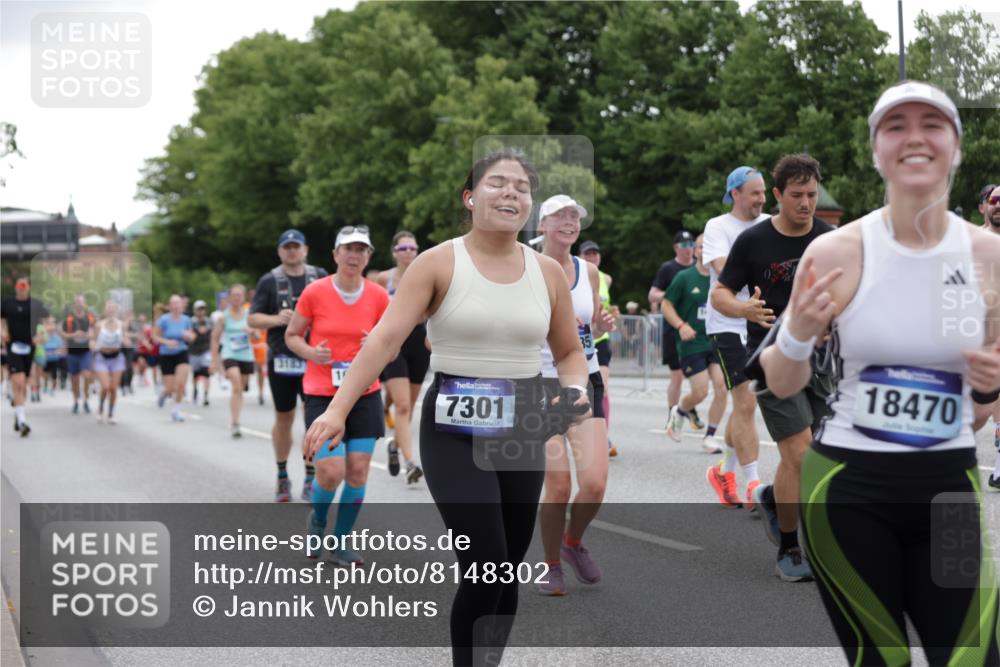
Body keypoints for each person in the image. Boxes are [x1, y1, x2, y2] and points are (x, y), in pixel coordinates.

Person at [303, 149, 591, 666]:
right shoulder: (439, 262)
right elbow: (385, 340)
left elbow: (569, 352)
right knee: (484, 563)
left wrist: (574, 393)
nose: (510, 193)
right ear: (469, 196)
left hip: (523, 426)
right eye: (497, 183)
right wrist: (336, 410)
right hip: (453, 429)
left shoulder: (547, 272)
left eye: (521, 187)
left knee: (505, 573)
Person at [761, 80, 1000, 664]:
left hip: (947, 489)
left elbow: (977, 414)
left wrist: (989, 386)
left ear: (955, 146)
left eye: (932, 124)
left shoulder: (989, 258)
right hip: (847, 490)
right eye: (896, 126)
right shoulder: (836, 252)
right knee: (880, 659)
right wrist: (795, 334)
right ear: (876, 151)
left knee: (974, 658)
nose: (914, 137)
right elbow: (781, 382)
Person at [713, 153, 834, 581]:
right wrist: (742, 307)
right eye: (797, 195)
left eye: (812, 195)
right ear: (778, 195)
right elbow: (720, 294)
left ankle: (772, 497)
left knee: (823, 459)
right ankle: (790, 546)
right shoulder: (753, 241)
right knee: (798, 454)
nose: (806, 204)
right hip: (771, 359)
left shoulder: (830, 239)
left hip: (823, 363)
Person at [286, 225, 389, 566]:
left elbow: (392, 344)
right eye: (348, 249)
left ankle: (341, 541)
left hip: (365, 391)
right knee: (330, 472)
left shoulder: (378, 295)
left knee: (358, 471)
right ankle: (317, 523)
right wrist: (311, 352)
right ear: (335, 254)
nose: (354, 255)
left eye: (361, 250)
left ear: (369, 257)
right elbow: (292, 335)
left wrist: (373, 346)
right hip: (322, 393)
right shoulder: (315, 292)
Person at [534, 194, 613, 596]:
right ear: (542, 225)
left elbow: (592, 322)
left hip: (585, 378)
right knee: (559, 486)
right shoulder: (526, 268)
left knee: (595, 483)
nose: (568, 222)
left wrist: (602, 321)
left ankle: (572, 541)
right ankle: (550, 564)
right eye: (559, 216)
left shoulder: (590, 271)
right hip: (542, 382)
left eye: (574, 217)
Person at [702, 166, 770, 508]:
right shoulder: (718, 226)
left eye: (763, 191)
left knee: (744, 404)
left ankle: (724, 470)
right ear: (736, 194)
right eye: (755, 192)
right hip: (726, 323)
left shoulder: (771, 224)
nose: (761, 198)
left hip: (761, 324)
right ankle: (754, 483)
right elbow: (725, 270)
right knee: (745, 402)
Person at [249, 229, 328, 502]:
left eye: (296, 246)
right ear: (280, 251)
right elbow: (253, 319)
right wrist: (277, 319)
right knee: (284, 418)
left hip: (313, 358)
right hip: (281, 359)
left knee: (314, 420)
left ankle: (310, 475)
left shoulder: (319, 276)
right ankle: (282, 475)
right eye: (287, 247)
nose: (292, 251)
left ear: (305, 249)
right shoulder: (269, 281)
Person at [661, 234, 727, 453]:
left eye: (710, 247)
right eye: (701, 247)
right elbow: (666, 305)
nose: (705, 251)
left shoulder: (722, 279)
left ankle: (709, 437)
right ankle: (679, 410)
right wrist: (681, 326)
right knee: (700, 392)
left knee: (721, 388)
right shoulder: (684, 277)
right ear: (696, 252)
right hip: (692, 343)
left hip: (716, 341)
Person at [374, 230, 429, 484]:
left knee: (410, 408)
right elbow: (373, 311)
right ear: (394, 252)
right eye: (403, 248)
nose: (408, 252)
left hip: (418, 343)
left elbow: (431, 312)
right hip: (393, 344)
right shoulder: (384, 279)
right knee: (404, 406)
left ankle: (394, 446)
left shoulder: (427, 276)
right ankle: (410, 463)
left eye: (411, 248)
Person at [649, 230, 698, 430]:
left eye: (692, 244)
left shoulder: (699, 268)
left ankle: (690, 409)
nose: (689, 249)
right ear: (676, 248)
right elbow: (653, 295)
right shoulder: (668, 269)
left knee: (698, 375)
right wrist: (673, 294)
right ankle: (672, 414)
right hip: (673, 329)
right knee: (677, 377)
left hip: (696, 330)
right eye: (684, 245)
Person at [580, 240, 618, 457]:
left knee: (601, 386)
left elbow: (604, 306)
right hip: (577, 339)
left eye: (596, 254)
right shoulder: (571, 273)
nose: (592, 258)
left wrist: (611, 314)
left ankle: (603, 435)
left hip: (600, 339)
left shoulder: (606, 279)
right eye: (588, 255)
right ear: (581, 256)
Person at [1, 278, 49, 435]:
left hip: (30, 347)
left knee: (24, 386)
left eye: (24, 287)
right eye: (19, 287)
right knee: (19, 382)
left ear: (28, 288)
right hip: (13, 346)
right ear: (16, 288)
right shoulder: (7, 303)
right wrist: (2, 332)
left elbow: (48, 322)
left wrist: (41, 335)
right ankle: (22, 423)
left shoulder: (35, 304)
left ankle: (18, 414)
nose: (21, 289)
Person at [212, 284, 255, 438]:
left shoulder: (249, 314)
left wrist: (252, 332)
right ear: (229, 297)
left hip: (246, 355)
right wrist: (214, 362)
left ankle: (236, 416)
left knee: (240, 388)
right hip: (230, 354)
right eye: (234, 295)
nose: (237, 298)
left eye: (239, 295)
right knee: (236, 385)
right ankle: (235, 422)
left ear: (243, 297)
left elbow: (257, 335)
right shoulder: (224, 317)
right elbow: (215, 339)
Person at [982, 184, 1000, 490]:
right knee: (973, 411)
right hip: (973, 336)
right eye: (995, 200)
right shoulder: (970, 241)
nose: (999, 206)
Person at [153, 295, 195, 422]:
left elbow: (192, 336)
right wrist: (166, 342)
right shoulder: (163, 320)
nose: (176, 306)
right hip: (166, 355)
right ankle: (164, 393)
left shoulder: (186, 320)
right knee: (170, 388)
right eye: (174, 304)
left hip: (181, 353)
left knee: (181, 384)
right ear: (169, 306)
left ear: (182, 306)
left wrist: (189, 336)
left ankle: (176, 410)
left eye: (178, 304)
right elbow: (155, 337)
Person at [91, 300, 130, 424]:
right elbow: (92, 340)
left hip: (117, 358)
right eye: (109, 309)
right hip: (102, 358)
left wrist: (126, 342)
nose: (111, 311)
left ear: (116, 311)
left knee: (113, 388)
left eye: (113, 309)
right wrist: (93, 346)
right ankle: (101, 408)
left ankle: (111, 413)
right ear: (105, 311)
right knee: (106, 386)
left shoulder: (121, 325)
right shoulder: (99, 325)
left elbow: (125, 338)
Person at [62, 294, 96, 414]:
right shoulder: (69, 318)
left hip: (85, 351)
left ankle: (86, 400)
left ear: (85, 303)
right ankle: (76, 401)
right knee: (75, 379)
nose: (80, 304)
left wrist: (89, 336)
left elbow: (94, 333)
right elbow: (64, 335)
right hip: (72, 352)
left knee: (87, 375)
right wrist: (74, 335)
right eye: (77, 302)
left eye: (81, 302)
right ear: (74, 304)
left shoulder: (90, 317)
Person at [188, 300, 213, 406]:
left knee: (206, 372)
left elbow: (213, 335)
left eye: (202, 309)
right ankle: (195, 390)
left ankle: (206, 395)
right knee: (195, 374)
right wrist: (196, 332)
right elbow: (189, 336)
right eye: (199, 309)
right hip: (194, 351)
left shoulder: (209, 321)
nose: (201, 312)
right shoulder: (191, 321)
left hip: (205, 350)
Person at [41, 316, 66, 395]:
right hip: (46, 359)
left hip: (55, 359)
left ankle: (52, 388)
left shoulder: (57, 338)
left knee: (54, 375)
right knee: (45, 374)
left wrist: (56, 352)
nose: (51, 331)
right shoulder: (44, 337)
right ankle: (45, 385)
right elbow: (40, 347)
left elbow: (62, 348)